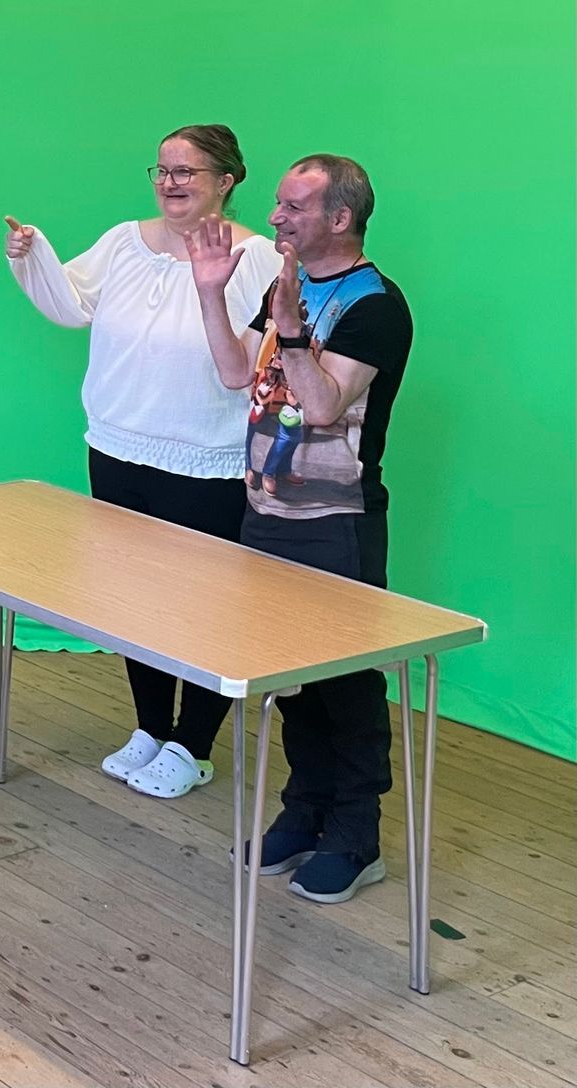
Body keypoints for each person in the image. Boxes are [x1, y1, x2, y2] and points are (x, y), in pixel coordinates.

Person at [6, 125, 283, 799]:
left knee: (207, 607)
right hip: (118, 447)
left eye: (187, 171)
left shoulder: (266, 260)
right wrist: (30, 255)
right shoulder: (124, 241)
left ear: (227, 179)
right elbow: (71, 304)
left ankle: (195, 742)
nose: (171, 182)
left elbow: (253, 368)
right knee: (133, 602)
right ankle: (151, 727)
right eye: (161, 171)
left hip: (209, 459)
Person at [187, 154, 412, 904]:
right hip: (268, 516)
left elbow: (319, 406)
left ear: (339, 219)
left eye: (293, 208)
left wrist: (288, 332)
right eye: (278, 206)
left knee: (345, 684)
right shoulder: (288, 289)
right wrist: (213, 294)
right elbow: (232, 376)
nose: (275, 218)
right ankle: (302, 813)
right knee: (295, 682)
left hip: (336, 524)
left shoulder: (375, 305)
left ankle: (356, 836)